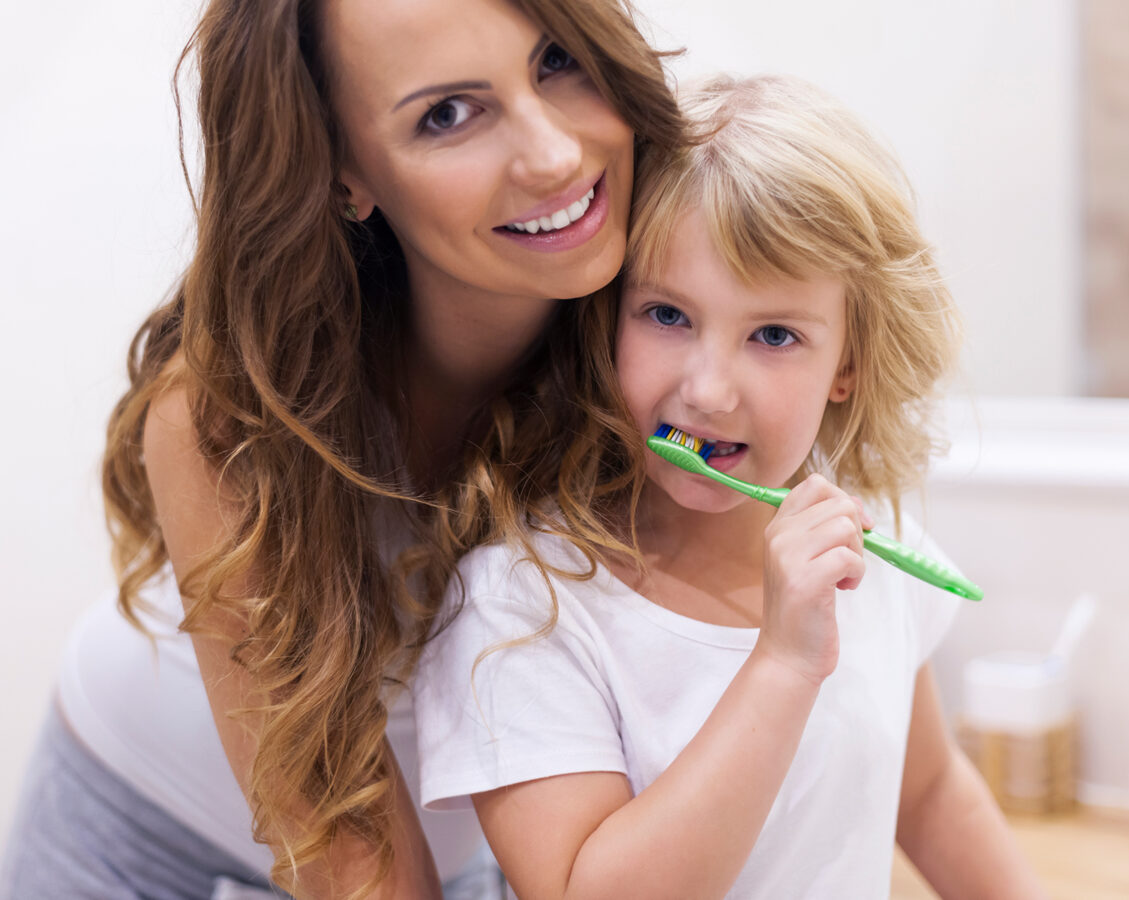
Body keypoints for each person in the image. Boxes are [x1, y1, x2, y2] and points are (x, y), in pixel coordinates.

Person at [0, 0, 686, 898]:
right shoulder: (228, 417)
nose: (555, 155)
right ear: (342, 171)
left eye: (558, 59)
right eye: (447, 114)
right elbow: (353, 862)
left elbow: (882, 749)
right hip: (135, 843)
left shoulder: (698, 339)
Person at [413, 74, 1048, 898]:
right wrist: (782, 665)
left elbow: (928, 796)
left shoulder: (861, 542)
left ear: (846, 364)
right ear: (606, 321)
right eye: (667, 316)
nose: (710, 390)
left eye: (775, 334)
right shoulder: (521, 606)